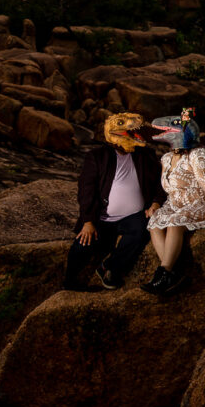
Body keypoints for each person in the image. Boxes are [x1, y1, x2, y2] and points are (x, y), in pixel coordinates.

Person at [142, 108, 205, 294]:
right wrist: (156, 205)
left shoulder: (197, 156)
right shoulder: (166, 158)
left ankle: (164, 272)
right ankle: (168, 273)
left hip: (200, 202)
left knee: (175, 222)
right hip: (175, 204)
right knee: (155, 223)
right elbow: (167, 189)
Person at [63, 112, 167, 291]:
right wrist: (88, 221)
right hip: (102, 218)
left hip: (134, 216)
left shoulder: (145, 155)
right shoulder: (97, 156)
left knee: (142, 231)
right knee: (83, 243)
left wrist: (156, 203)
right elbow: (86, 190)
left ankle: (109, 268)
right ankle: (69, 282)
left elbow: (161, 182)